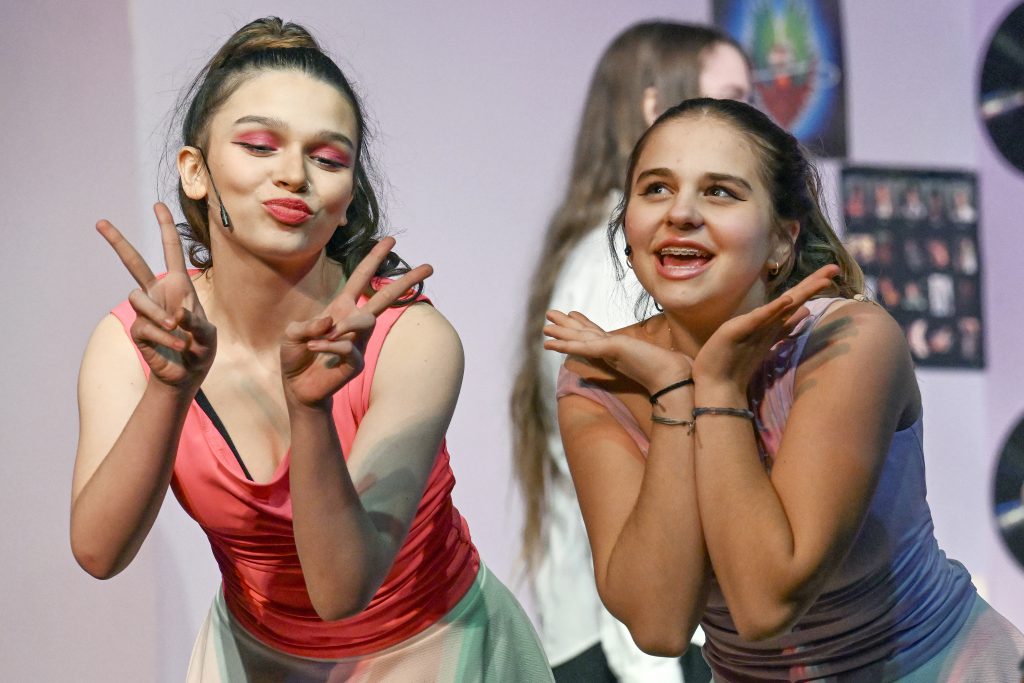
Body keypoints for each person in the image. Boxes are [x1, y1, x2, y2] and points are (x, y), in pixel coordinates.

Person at [70, 17, 551, 682]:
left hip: (429, 646)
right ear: (196, 171)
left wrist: (311, 410)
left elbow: (340, 588)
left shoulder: (409, 338)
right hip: (252, 652)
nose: (293, 175)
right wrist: (168, 389)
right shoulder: (135, 340)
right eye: (260, 146)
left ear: (349, 195)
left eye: (328, 158)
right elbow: (97, 552)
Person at [544, 97, 1024, 680]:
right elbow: (659, 625)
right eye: (656, 189)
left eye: (720, 191)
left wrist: (715, 385)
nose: (681, 213)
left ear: (780, 241)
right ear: (629, 228)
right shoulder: (602, 376)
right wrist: (674, 391)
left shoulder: (849, 339)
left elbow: (766, 601)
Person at [510, 22, 750, 683]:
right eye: (732, 98)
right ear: (655, 108)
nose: (755, 124)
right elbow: (635, 491)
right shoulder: (623, 264)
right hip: (643, 649)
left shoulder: (637, 255)